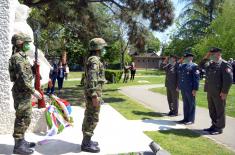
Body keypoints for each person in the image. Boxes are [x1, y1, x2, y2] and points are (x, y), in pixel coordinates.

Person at [9, 33, 42, 154]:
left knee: (26, 117)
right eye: (27, 43)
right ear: (20, 43)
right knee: (22, 118)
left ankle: (22, 140)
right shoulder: (18, 57)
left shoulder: (22, 57)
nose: (28, 45)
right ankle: (18, 146)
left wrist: (34, 68)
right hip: (21, 93)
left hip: (24, 92)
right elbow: (22, 79)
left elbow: (26, 75)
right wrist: (34, 91)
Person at [82, 38, 107, 153]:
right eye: (103, 47)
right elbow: (93, 77)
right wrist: (94, 95)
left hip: (93, 92)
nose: (104, 49)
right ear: (98, 48)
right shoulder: (95, 60)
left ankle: (87, 140)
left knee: (90, 115)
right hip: (93, 93)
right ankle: (86, 143)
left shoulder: (92, 59)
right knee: (92, 117)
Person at [199, 47, 233, 135]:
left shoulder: (224, 64)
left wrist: (224, 92)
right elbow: (201, 65)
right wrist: (206, 57)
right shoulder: (211, 64)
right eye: (211, 54)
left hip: (219, 92)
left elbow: (228, 79)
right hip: (210, 91)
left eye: (213, 54)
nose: (212, 56)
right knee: (212, 110)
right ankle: (214, 125)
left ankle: (219, 128)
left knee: (220, 110)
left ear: (218, 54)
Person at [177, 50, 200, 125]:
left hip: (190, 89)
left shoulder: (194, 66)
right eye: (184, 57)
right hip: (184, 88)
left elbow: (196, 79)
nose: (185, 59)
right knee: (185, 104)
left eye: (186, 57)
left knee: (191, 104)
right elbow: (180, 75)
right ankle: (185, 118)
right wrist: (179, 86)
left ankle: (191, 119)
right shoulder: (183, 65)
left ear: (191, 58)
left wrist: (195, 89)